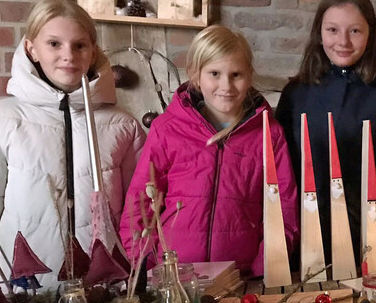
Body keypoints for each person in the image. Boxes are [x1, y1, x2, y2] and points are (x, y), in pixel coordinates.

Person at [119, 25, 298, 276]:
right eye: (214, 73)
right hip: (174, 276)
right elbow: (140, 203)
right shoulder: (167, 129)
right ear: (195, 74)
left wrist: (264, 269)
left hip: (241, 275)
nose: (226, 85)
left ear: (249, 76)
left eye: (236, 74)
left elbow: (283, 207)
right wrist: (146, 266)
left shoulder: (269, 133)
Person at [0, 0, 145, 287]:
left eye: (79, 45)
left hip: (104, 288)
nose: (69, 55)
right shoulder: (2, 120)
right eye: (54, 44)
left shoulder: (123, 125)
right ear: (32, 49)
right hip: (28, 289)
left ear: (93, 51)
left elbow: (135, 210)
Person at [275, 0, 376, 265]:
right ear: (319, 34)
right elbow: (283, 170)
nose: (343, 41)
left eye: (355, 31)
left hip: (369, 239)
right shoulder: (296, 94)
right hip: (305, 236)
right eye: (333, 30)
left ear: (370, 36)